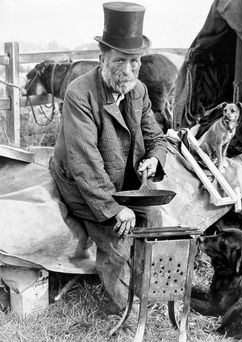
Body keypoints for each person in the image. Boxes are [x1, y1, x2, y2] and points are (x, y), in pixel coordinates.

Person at [49, 2, 167, 314]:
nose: (129, 70)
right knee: (119, 240)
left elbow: (156, 136)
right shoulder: (79, 94)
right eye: (120, 61)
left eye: (135, 61)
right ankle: (126, 313)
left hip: (124, 184)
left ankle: (150, 293)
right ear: (102, 58)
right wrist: (115, 209)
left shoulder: (138, 90)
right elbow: (83, 163)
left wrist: (154, 159)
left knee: (155, 222)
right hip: (84, 188)